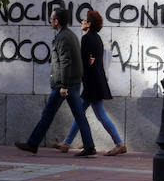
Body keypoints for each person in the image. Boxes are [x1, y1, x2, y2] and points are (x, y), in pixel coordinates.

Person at [15, 8, 97, 157]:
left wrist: (64, 86)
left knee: (48, 113)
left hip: (65, 84)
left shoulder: (63, 37)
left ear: (56, 22)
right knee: (79, 115)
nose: (50, 21)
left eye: (52, 18)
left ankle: (33, 143)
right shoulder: (69, 35)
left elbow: (65, 62)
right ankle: (89, 146)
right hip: (73, 81)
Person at [50, 10, 126, 156]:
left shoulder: (86, 39)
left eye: (84, 20)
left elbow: (83, 62)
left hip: (92, 85)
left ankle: (119, 144)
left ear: (89, 24)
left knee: (101, 115)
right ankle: (66, 143)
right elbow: (89, 60)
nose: (82, 22)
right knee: (79, 113)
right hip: (94, 82)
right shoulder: (96, 38)